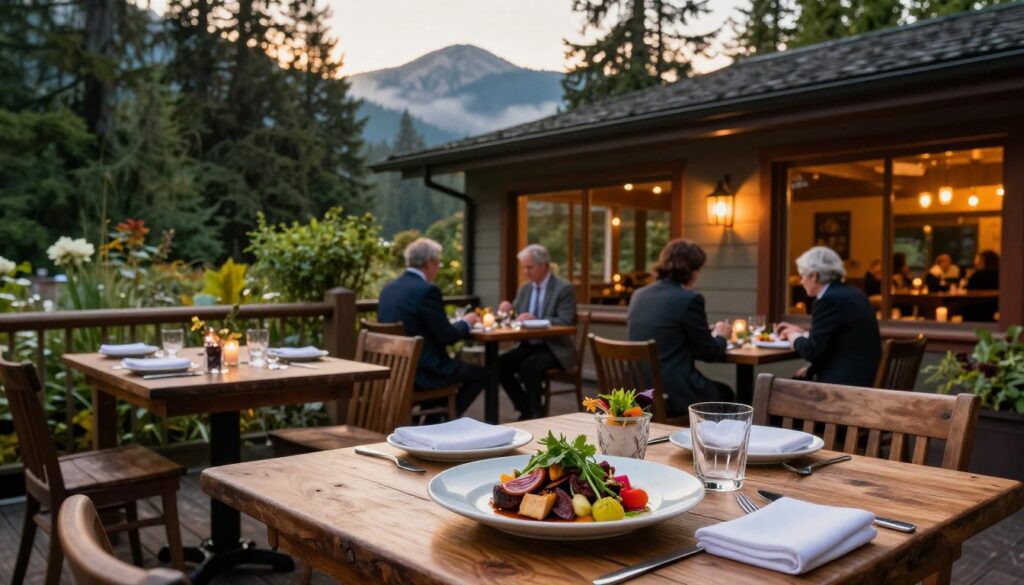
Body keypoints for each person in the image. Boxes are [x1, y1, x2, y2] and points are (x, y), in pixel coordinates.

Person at [378, 238, 487, 416]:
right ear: (430, 263)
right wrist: (467, 321)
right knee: (482, 375)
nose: (438, 268)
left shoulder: (389, 288)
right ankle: (444, 420)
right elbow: (447, 336)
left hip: (397, 369)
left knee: (458, 371)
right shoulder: (426, 290)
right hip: (423, 372)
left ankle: (433, 420)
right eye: (438, 263)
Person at [626, 239, 733, 417]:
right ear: (690, 271)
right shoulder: (689, 299)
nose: (698, 274)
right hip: (673, 393)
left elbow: (667, 335)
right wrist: (722, 335)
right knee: (725, 394)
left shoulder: (638, 295)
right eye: (698, 269)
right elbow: (710, 353)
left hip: (640, 392)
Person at [776, 246, 881, 387]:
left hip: (845, 389)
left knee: (778, 389)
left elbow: (811, 351)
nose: (801, 282)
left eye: (802, 276)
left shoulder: (828, 299)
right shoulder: (855, 294)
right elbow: (841, 340)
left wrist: (792, 336)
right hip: (862, 379)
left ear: (814, 276)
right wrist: (803, 334)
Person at [497, 244, 577, 420]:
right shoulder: (525, 289)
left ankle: (535, 413)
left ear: (543, 265)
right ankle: (526, 408)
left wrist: (537, 321)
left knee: (529, 367)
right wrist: (508, 309)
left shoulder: (563, 289)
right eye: (524, 267)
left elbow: (565, 321)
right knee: (498, 364)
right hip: (528, 344)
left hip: (554, 347)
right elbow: (517, 316)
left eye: (529, 267)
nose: (525, 271)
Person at [963, 250, 999, 322]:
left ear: (984, 261)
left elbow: (968, 294)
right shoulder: (1000, 275)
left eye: (979, 259)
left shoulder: (977, 276)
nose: (976, 261)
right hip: (995, 310)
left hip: (974, 313)